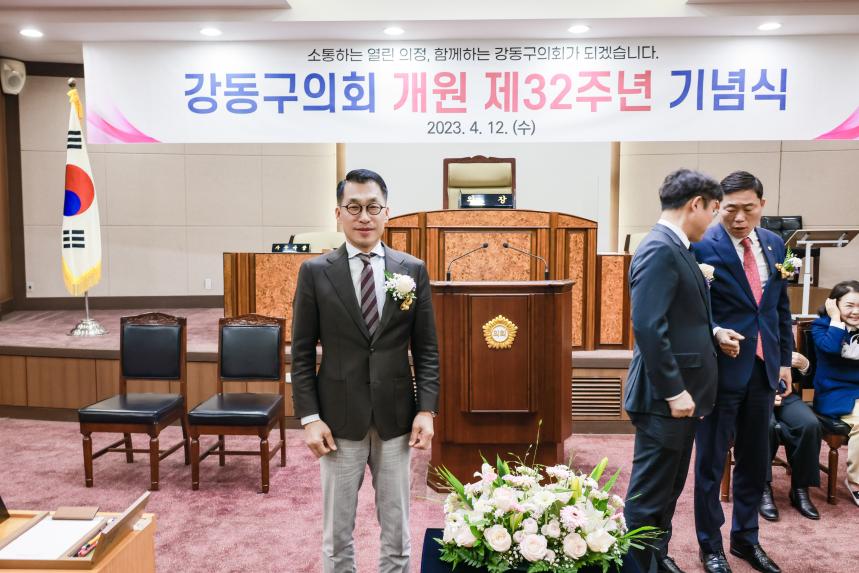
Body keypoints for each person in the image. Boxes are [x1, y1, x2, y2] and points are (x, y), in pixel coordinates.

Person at [291, 168, 440, 572]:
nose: (364, 216)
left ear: (387, 212)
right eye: (353, 207)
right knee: (337, 536)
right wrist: (309, 418)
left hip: (396, 420)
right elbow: (301, 353)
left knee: (397, 533)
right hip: (338, 422)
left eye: (373, 207)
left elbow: (426, 349)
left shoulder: (412, 269)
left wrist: (426, 409)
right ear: (338, 213)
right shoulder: (316, 272)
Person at [692, 170, 793, 573]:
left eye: (748, 208)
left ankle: (746, 540)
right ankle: (710, 545)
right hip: (721, 369)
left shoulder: (773, 243)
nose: (739, 218)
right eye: (730, 209)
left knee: (755, 460)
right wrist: (715, 332)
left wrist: (784, 360)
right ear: (718, 206)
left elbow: (778, 309)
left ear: (762, 205)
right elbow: (692, 309)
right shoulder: (702, 243)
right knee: (711, 462)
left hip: (763, 369)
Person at [623, 169, 722, 573]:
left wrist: (714, 333)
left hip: (682, 397)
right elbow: (648, 326)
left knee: (668, 490)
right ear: (696, 204)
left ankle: (656, 557)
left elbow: (680, 319)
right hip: (665, 398)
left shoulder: (677, 247)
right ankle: (637, 566)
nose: (713, 220)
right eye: (714, 210)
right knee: (649, 496)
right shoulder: (659, 248)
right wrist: (674, 391)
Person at [810, 280, 859, 506]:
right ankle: (856, 482)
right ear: (834, 304)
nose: (856, 311)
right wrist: (837, 320)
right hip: (834, 393)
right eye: (849, 305)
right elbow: (830, 348)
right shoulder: (822, 326)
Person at [759, 351, 821, 521]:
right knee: (765, 425)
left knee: (809, 424)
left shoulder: (783, 336)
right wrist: (763, 396)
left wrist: (804, 367)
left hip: (785, 394)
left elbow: (796, 376)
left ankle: (800, 489)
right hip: (754, 396)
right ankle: (762, 488)